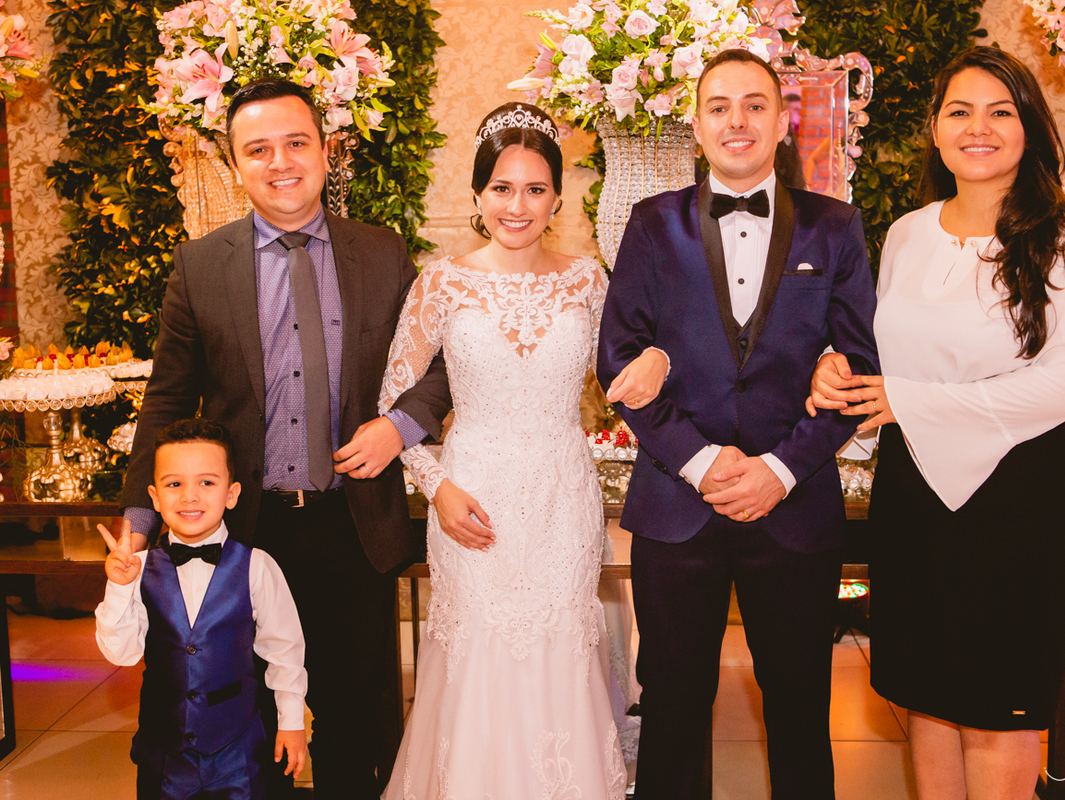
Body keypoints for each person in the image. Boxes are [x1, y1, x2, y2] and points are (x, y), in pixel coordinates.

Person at [118, 79, 452, 797]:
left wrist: (397, 429)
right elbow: (167, 399)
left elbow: (443, 364)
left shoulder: (382, 254)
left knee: (356, 722)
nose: (280, 162)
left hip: (352, 526)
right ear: (235, 164)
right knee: (250, 729)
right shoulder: (201, 266)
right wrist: (139, 522)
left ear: (327, 153)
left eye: (296, 143)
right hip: (245, 534)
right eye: (258, 149)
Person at [808, 47, 1065, 799]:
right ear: (936, 132)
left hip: (1017, 494)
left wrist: (910, 401)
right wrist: (836, 371)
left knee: (998, 703)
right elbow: (884, 357)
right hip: (913, 487)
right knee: (928, 691)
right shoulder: (907, 234)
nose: (979, 128)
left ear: (1029, 128)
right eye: (960, 112)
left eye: (1000, 112)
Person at [597, 49, 880, 799]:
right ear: (695, 125)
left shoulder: (836, 227)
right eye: (719, 106)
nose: (738, 121)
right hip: (676, 506)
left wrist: (779, 471)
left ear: (784, 121)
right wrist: (700, 461)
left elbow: (858, 368)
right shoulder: (651, 224)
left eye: (756, 104)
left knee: (799, 707)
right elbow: (619, 360)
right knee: (672, 707)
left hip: (796, 507)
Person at [378, 101, 669, 799]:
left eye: (535, 189)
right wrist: (438, 488)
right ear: (478, 194)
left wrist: (658, 356)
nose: (518, 206)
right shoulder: (441, 283)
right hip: (470, 497)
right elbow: (394, 404)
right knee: (478, 660)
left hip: (561, 501)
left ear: (557, 197)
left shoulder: (588, 281)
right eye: (502, 188)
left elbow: (624, 374)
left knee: (559, 655)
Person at [96, 419, 307, 800]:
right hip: (163, 755)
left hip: (238, 753)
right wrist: (120, 587)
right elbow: (121, 653)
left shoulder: (257, 566)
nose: (189, 497)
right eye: (174, 484)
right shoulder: (137, 569)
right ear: (154, 497)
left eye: (206, 482)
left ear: (232, 493)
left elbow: (285, 652)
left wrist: (291, 723)